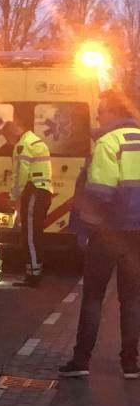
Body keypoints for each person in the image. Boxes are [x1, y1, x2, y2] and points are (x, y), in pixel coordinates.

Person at [59, 89, 140, 379]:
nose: (98, 117)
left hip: (108, 234)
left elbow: (99, 195)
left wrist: (85, 231)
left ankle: (81, 361)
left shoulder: (108, 143)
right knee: (131, 300)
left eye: (101, 111)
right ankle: (130, 363)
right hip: (137, 236)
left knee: (93, 296)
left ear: (111, 113)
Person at [2, 120, 53, 287]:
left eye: (9, 138)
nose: (10, 142)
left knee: (29, 235)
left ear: (11, 133)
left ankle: (33, 275)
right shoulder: (37, 141)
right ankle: (34, 270)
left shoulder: (23, 145)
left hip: (33, 191)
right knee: (35, 233)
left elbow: (20, 174)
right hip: (44, 191)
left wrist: (14, 196)